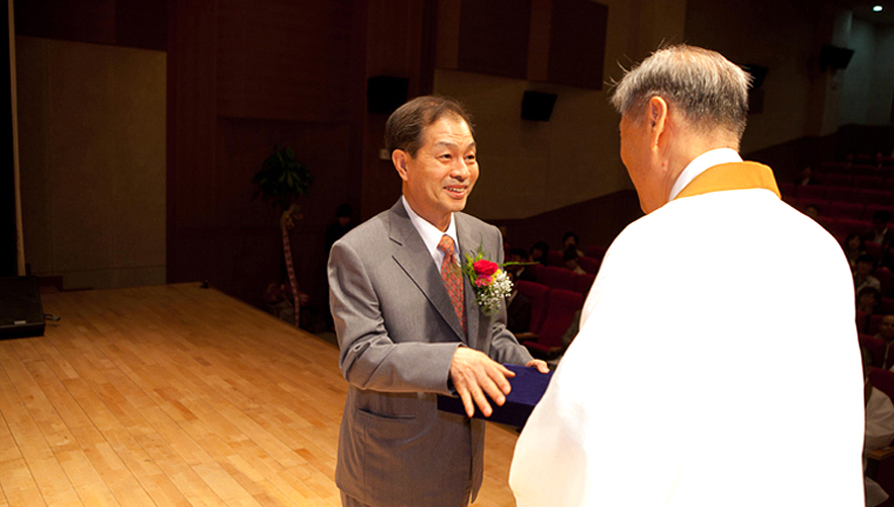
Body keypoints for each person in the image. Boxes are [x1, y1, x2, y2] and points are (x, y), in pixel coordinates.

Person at [510, 45, 864, 506]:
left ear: (655, 120)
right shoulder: (820, 247)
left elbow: (586, 429)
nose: (624, 157)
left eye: (622, 133)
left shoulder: (653, 242)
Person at [328, 95, 547, 507]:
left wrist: (522, 363)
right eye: (446, 156)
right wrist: (449, 362)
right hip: (389, 466)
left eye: (470, 157)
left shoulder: (485, 237)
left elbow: (491, 329)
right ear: (402, 164)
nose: (462, 172)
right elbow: (360, 357)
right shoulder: (358, 249)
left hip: (461, 460)